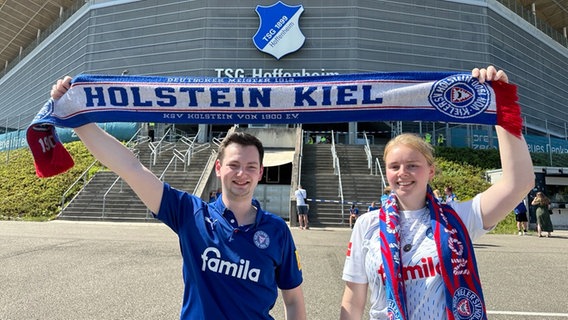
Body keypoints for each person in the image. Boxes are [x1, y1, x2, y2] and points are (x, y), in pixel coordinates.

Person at [50, 77, 306, 320]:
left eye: (251, 166)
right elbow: (131, 167)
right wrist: (78, 118)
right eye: (234, 164)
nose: (242, 173)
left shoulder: (277, 230)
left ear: (261, 172)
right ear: (218, 168)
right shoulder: (190, 214)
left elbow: (293, 300)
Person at [340, 66, 534, 320]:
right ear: (386, 172)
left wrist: (500, 106)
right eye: (394, 166)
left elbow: (519, 183)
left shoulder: (457, 219)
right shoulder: (367, 224)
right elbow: (353, 300)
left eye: (412, 165)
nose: (403, 173)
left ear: (430, 171)